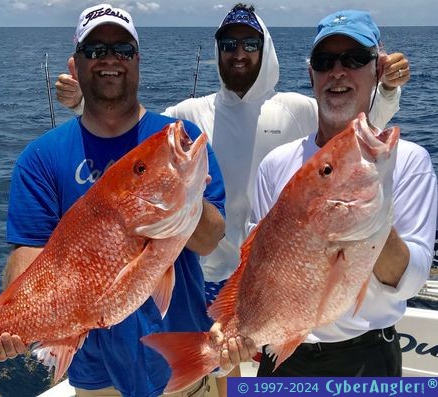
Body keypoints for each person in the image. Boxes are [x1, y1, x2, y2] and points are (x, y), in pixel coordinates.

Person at [55, 3, 411, 390]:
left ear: (266, 48)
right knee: (217, 365)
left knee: (231, 372)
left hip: (278, 275)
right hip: (205, 277)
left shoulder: (297, 108)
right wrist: (82, 103)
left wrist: (387, 89)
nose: (238, 52)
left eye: (249, 43)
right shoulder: (192, 111)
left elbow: (359, 134)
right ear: (217, 51)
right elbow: (136, 138)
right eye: (228, 43)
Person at [0, 3, 226, 397]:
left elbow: (210, 240)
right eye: (95, 51)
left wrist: (186, 198)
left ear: (138, 61)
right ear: (75, 65)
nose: (110, 60)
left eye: (122, 50)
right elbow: (30, 255)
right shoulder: (41, 158)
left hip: (185, 367)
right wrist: (9, 319)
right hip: (96, 381)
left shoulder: (180, 137)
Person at [246, 9, 437, 376]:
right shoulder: (275, 163)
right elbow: (258, 264)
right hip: (283, 355)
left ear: (377, 71)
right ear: (311, 75)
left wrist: (368, 221)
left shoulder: (410, 161)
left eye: (354, 59)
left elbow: (409, 281)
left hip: (367, 358)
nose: (337, 71)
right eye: (324, 61)